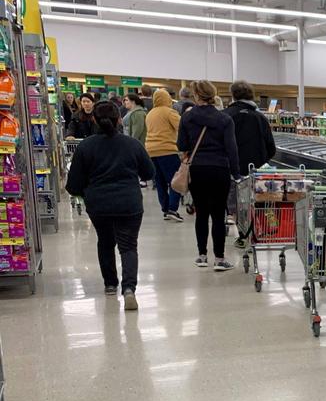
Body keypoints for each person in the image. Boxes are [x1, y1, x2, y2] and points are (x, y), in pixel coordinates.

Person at [65, 101, 155, 312]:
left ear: (94, 119)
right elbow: (149, 173)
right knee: (128, 245)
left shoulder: (85, 146)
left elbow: (73, 185)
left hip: (99, 204)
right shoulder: (132, 144)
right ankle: (129, 289)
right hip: (129, 202)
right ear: (118, 119)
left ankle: (110, 284)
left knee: (105, 243)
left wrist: (86, 191)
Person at [177, 79, 241, 271]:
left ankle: (202, 256)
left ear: (196, 95)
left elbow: (181, 145)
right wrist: (236, 174)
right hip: (219, 169)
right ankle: (220, 259)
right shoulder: (224, 119)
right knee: (218, 213)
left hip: (197, 169)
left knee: (201, 213)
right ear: (213, 95)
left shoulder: (187, 118)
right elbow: (232, 149)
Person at [224, 80, 276, 248]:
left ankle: (242, 234)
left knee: (238, 205)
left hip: (233, 170)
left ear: (233, 95)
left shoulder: (226, 115)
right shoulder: (260, 117)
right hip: (257, 171)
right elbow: (271, 147)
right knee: (257, 202)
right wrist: (262, 161)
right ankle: (258, 232)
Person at [145, 88, 184, 222]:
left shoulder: (150, 114)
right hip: (167, 150)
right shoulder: (169, 112)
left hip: (151, 151)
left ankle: (166, 209)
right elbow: (182, 126)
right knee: (175, 181)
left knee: (160, 183)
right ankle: (173, 209)